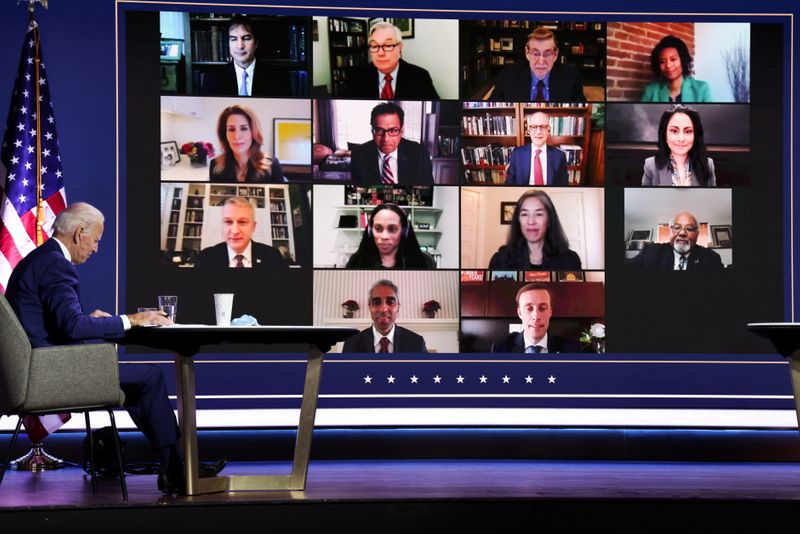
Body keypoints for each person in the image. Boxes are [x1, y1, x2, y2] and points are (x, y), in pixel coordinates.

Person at [4, 202, 225, 493]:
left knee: (136, 387)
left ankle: (177, 467)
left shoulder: (40, 259)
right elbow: (73, 328)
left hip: (36, 370)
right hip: (47, 375)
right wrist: (132, 320)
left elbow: (56, 324)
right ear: (79, 233)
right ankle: (178, 467)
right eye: (95, 240)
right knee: (150, 378)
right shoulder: (57, 265)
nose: (95, 249)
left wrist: (88, 319)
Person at [339, 21, 439, 99]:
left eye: (387, 45)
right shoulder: (356, 77)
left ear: (400, 48)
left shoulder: (420, 77)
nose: (380, 53)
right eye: (374, 46)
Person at [489, 189, 582, 270]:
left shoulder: (571, 260)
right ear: (518, 220)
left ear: (549, 220)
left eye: (539, 214)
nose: (531, 221)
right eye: (525, 214)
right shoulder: (500, 260)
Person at [200, 15, 290, 97]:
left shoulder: (278, 78)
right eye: (233, 39)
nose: (240, 46)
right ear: (228, 44)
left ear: (256, 43)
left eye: (246, 38)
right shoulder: (212, 78)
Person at [490, 26, 585, 102]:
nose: (541, 61)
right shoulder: (506, 77)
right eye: (535, 54)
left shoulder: (572, 77)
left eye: (547, 54)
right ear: (527, 53)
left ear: (555, 55)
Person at [350, 102, 434, 185]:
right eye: (379, 130)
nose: (386, 139)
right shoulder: (358, 155)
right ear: (372, 131)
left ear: (401, 131)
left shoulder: (419, 153)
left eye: (393, 130)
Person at [195, 196, 287, 269]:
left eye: (242, 222)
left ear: (253, 227)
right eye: (228, 222)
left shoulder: (273, 256)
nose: (235, 231)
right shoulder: (205, 258)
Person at [341, 279, 428, 353]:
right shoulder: (351, 344)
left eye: (390, 302)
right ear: (369, 307)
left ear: (398, 307)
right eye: (376, 302)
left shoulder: (417, 343)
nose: (383, 309)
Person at [491, 283, 581, 353]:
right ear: (519, 313)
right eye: (529, 309)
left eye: (542, 308)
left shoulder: (571, 349)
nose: (536, 316)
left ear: (550, 312)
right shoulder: (501, 347)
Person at [642, 105, 716, 187]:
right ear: (665, 135)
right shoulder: (651, 165)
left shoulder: (708, 164)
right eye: (674, 131)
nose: (681, 139)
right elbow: (646, 199)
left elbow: (712, 198)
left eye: (688, 131)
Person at [345, 204, 436, 269]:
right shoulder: (356, 261)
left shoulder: (424, 262)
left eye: (392, 229)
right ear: (370, 231)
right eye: (378, 228)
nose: (384, 236)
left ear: (404, 232)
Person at [209, 105, 284, 183]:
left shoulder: (272, 165)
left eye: (244, 128)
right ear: (224, 134)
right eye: (231, 129)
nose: (237, 136)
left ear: (253, 132)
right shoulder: (215, 165)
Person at [628, 211, 724, 270]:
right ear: (670, 232)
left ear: (697, 234)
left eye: (689, 228)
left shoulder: (711, 258)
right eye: (677, 227)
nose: (682, 233)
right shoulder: (650, 252)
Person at [505, 111, 569, 186]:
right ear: (529, 130)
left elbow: (563, 186)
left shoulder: (559, 156)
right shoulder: (517, 154)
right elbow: (510, 184)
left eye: (543, 127)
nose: (538, 132)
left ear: (549, 130)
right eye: (534, 127)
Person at [641, 35, 711, 103]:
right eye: (662, 62)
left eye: (673, 59)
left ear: (682, 60)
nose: (668, 65)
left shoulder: (701, 89)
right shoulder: (650, 91)